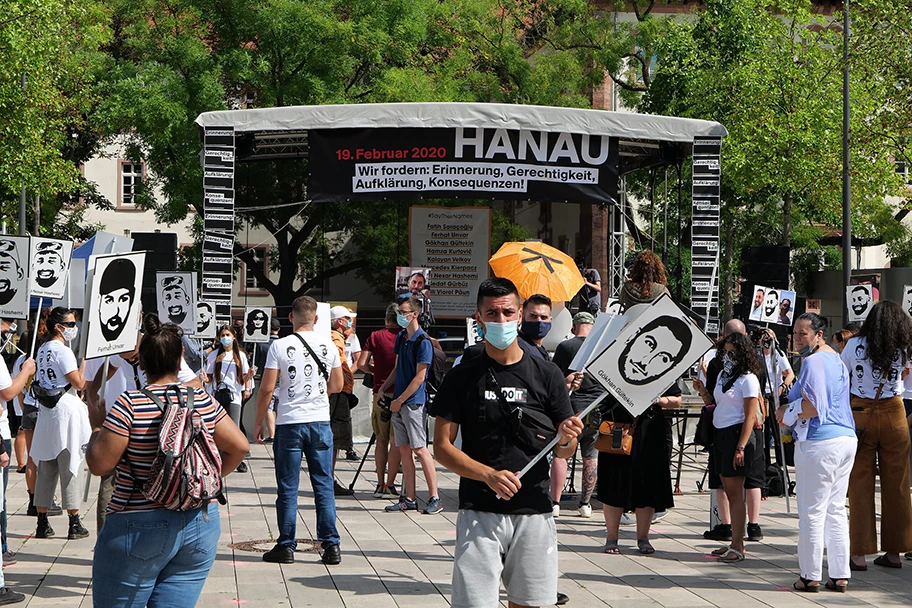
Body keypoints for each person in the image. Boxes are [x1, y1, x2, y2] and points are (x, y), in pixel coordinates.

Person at [431, 277, 583, 608]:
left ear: (519, 315)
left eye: (508, 313)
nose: (501, 321)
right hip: (479, 510)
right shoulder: (462, 375)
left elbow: (563, 450)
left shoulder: (547, 374)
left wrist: (568, 438)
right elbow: (442, 446)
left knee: (531, 603)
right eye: (492, 314)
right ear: (479, 318)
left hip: (535, 510)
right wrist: (487, 475)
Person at [86, 314, 248, 606]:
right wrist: (205, 480)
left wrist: (97, 426)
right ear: (180, 360)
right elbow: (240, 446)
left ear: (142, 363)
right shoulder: (201, 400)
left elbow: (100, 465)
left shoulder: (130, 404)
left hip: (136, 523)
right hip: (199, 522)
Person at [253, 296, 344, 565]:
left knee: (288, 486)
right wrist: (317, 394)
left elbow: (267, 388)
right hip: (319, 421)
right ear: (316, 319)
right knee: (324, 485)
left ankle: (286, 545)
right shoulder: (329, 345)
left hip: (289, 422)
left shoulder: (279, 346)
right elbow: (338, 384)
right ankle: (331, 545)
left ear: (291, 317)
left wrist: (259, 421)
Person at [776, 313, 856, 592]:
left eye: (803, 333)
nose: (797, 338)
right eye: (795, 333)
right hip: (845, 437)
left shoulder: (813, 362)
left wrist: (786, 412)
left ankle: (810, 575)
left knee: (812, 511)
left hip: (820, 440)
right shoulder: (837, 359)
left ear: (819, 335)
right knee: (835, 509)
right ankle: (839, 573)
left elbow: (813, 407)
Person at [841, 301, 912, 569]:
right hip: (895, 411)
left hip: (861, 411)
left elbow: (842, 377)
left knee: (859, 483)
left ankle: (859, 553)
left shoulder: (854, 345)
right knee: (898, 484)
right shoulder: (904, 346)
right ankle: (895, 551)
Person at [694, 332, 763, 562]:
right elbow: (716, 404)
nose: (727, 356)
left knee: (735, 494)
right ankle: (733, 541)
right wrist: (703, 391)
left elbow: (749, 417)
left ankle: (738, 545)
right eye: (725, 352)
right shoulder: (724, 374)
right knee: (725, 487)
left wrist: (741, 447)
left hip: (737, 436)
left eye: (731, 352)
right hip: (720, 434)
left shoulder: (748, 379)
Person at [30, 307, 91, 541]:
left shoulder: (43, 349)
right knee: (70, 465)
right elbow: (77, 383)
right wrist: (83, 365)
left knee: (47, 466)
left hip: (47, 411)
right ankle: (74, 521)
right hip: (65, 409)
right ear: (59, 326)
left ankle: (42, 521)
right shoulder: (62, 351)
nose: (73, 328)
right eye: (70, 324)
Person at [378, 295, 441, 514]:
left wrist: (399, 400)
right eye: (399, 312)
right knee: (403, 450)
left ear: (415, 314)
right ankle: (409, 497)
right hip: (399, 401)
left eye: (404, 312)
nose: (400, 316)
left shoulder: (423, 341)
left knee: (420, 449)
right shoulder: (402, 337)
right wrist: (383, 387)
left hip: (413, 403)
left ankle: (434, 496)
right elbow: (397, 368)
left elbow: (419, 378)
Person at [550, 313, 599, 518]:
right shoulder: (601, 347)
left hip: (570, 409)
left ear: (573, 326)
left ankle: (555, 503)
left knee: (561, 454)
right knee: (591, 456)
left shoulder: (565, 347)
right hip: (596, 407)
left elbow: (557, 378)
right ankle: (585, 504)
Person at [357, 303, 401, 498]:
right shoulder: (406, 337)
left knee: (380, 440)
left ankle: (380, 484)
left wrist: (377, 372)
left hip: (379, 394)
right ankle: (391, 484)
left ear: (386, 319)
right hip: (401, 394)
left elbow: (361, 364)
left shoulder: (375, 336)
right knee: (396, 441)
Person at [202, 326, 253, 472]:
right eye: (223, 335)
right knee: (215, 427)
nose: (225, 338)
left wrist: (248, 385)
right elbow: (210, 376)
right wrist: (205, 379)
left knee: (234, 427)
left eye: (228, 334)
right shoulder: (214, 356)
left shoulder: (240, 356)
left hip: (234, 395)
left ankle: (237, 460)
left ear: (234, 337)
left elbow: (244, 377)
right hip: (216, 394)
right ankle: (215, 457)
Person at [328, 306, 357, 494]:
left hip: (337, 391)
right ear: (340, 321)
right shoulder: (335, 338)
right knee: (334, 438)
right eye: (347, 319)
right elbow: (338, 365)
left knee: (334, 438)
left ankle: (327, 479)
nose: (350, 322)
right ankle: (328, 480)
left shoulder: (334, 337)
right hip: (337, 393)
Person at [343, 313, 361, 461]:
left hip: (347, 380)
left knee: (346, 415)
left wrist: (348, 373)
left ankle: (349, 447)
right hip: (333, 380)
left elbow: (358, 359)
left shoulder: (354, 339)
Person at [517, 294, 551, 361]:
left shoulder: (539, 348)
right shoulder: (518, 347)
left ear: (550, 320)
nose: (539, 320)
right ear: (522, 317)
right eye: (533, 316)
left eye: (543, 317)